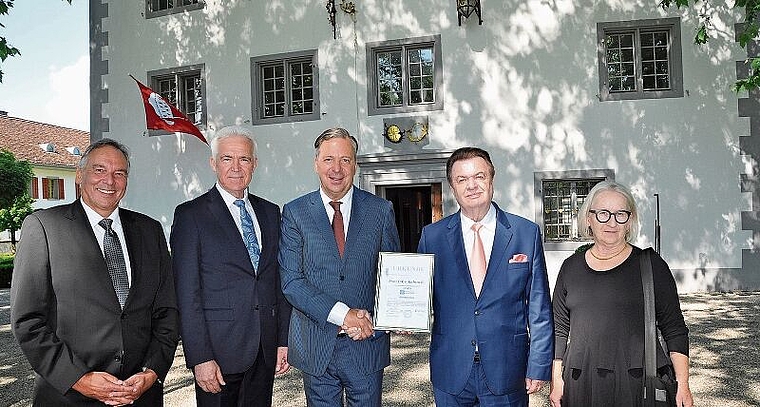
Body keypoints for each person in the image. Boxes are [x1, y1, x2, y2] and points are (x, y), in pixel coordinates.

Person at [10, 138, 179, 406]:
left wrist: (153, 372)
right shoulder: (44, 227)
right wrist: (78, 379)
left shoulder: (150, 231)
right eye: (99, 170)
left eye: (119, 173)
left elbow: (167, 311)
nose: (109, 181)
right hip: (69, 395)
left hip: (140, 395)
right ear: (80, 175)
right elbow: (28, 321)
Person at [417, 147, 554, 407]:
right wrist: (404, 316)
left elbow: (539, 307)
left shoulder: (525, 233)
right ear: (452, 187)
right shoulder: (432, 237)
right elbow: (421, 297)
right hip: (451, 369)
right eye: (462, 180)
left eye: (479, 176)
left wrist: (538, 365)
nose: (471, 186)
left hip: (508, 369)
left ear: (491, 179)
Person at [279, 127, 401, 407]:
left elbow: (391, 276)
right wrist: (344, 315)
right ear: (316, 164)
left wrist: (396, 315)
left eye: (345, 160)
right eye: (328, 159)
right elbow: (292, 282)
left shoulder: (380, 210)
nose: (337, 168)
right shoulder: (295, 212)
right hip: (316, 344)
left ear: (355, 165)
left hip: (366, 342)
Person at [170, 125, 291, 407]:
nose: (236, 167)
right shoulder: (191, 215)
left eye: (244, 159)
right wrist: (200, 357)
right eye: (227, 159)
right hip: (218, 354)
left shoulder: (271, 212)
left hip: (264, 349)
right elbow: (187, 293)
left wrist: (282, 340)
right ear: (213, 163)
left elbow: (277, 281)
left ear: (255, 164)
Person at [550, 180, 694, 407]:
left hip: (636, 381)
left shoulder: (650, 265)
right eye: (603, 214)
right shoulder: (571, 267)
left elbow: (674, 327)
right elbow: (558, 329)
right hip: (581, 383)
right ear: (589, 218)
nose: (612, 222)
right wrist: (556, 380)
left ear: (630, 221)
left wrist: (683, 384)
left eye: (620, 214)